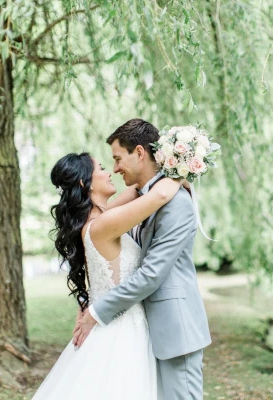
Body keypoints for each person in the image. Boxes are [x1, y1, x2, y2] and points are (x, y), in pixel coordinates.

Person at [72, 119, 211, 399]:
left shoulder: (175, 204)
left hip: (176, 330)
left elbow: (151, 274)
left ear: (139, 152)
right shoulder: (147, 198)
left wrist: (97, 313)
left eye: (118, 159)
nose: (114, 168)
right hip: (148, 331)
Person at [32, 151, 184, 399]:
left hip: (113, 321)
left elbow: (138, 190)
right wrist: (185, 169)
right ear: (84, 182)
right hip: (122, 330)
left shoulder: (97, 217)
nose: (110, 172)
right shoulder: (104, 224)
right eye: (101, 167)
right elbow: (162, 194)